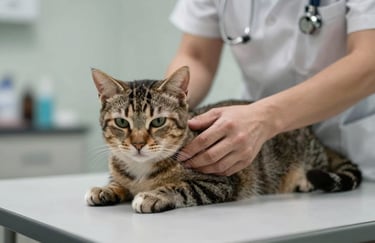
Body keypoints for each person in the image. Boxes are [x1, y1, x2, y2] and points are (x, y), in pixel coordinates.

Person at [166, 0, 375, 180]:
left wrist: (265, 118)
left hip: (359, 149)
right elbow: (197, 57)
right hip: (267, 158)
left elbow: (369, 63)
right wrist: (162, 109)